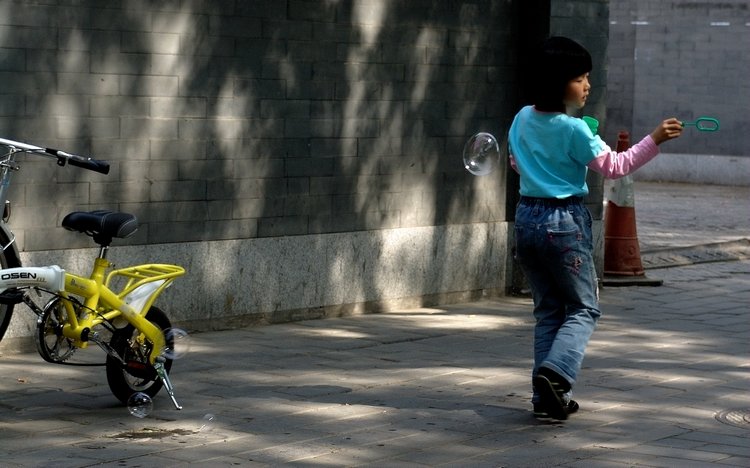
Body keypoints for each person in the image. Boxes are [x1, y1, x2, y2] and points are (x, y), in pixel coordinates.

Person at [508, 36, 683, 421]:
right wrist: (654, 139)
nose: (588, 85)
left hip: (526, 220)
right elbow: (616, 167)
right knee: (584, 307)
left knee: (548, 310)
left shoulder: (521, 117)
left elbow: (517, 164)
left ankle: (546, 398)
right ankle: (557, 372)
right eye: (580, 78)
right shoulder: (574, 130)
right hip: (564, 224)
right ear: (557, 82)